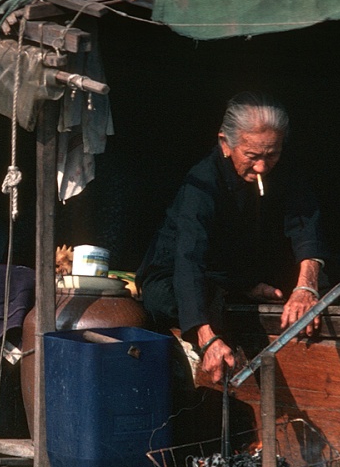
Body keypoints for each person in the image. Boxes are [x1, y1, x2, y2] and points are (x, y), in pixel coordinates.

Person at [136, 93, 327, 386]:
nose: (263, 166)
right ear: (226, 143)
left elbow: (304, 223)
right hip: (177, 279)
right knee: (170, 297)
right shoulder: (201, 182)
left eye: (272, 154)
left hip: (235, 277)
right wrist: (205, 336)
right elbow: (189, 258)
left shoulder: (285, 170)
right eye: (252, 156)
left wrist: (306, 286)